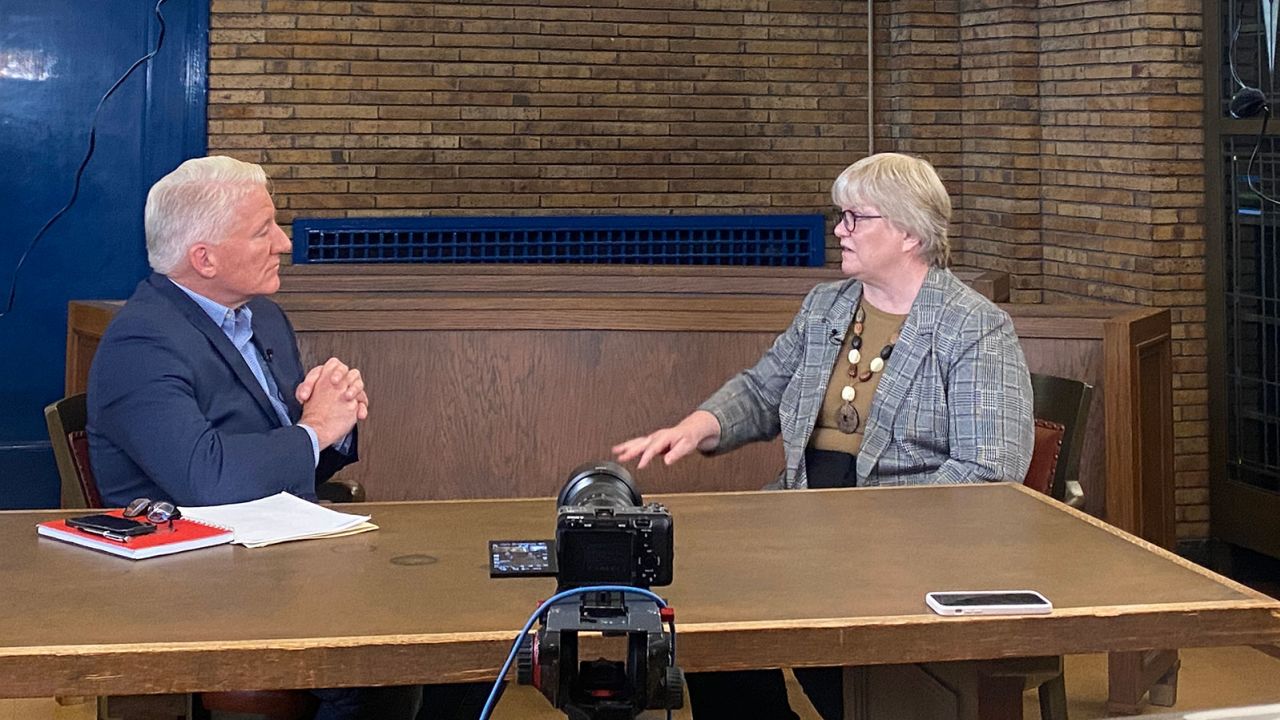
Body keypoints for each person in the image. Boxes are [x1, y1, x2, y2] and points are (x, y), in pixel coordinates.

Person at [612, 152, 1034, 719]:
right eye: (841, 216)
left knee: (806, 617)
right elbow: (765, 390)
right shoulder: (826, 305)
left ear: (907, 231)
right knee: (705, 595)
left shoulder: (974, 326)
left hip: (908, 534)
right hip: (806, 516)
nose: (839, 230)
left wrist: (862, 528)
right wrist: (695, 427)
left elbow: (990, 468)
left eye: (856, 218)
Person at [86, 155, 482, 720]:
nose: (285, 244)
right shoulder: (141, 344)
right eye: (262, 231)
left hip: (283, 560)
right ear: (204, 258)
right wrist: (313, 429)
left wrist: (334, 424)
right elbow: (208, 478)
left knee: (457, 640)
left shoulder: (264, 318)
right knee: (381, 670)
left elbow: (288, 461)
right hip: (193, 583)